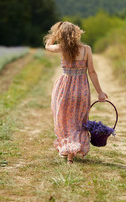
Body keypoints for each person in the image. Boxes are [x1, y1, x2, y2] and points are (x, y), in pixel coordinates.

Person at [43, 21, 108, 165]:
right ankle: (74, 150)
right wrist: (100, 92)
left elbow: (47, 46)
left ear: (61, 35)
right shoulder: (86, 49)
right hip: (81, 90)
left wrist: (53, 35)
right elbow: (92, 72)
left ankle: (69, 152)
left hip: (64, 89)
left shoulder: (61, 48)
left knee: (64, 120)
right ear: (77, 33)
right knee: (79, 121)